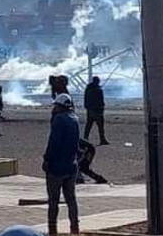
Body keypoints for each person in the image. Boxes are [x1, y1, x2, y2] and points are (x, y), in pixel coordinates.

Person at [42, 94, 81, 236]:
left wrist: (47, 159)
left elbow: (53, 143)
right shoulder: (75, 119)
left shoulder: (59, 120)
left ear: (59, 106)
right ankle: (74, 229)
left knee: (53, 201)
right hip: (71, 165)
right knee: (71, 199)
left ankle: (53, 230)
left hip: (57, 167)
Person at [83, 76, 109, 145]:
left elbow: (85, 99)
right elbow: (100, 100)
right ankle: (102, 139)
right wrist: (102, 108)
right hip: (97, 110)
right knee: (100, 126)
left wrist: (87, 107)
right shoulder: (98, 90)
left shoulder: (88, 89)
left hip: (90, 110)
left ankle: (85, 138)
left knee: (89, 125)